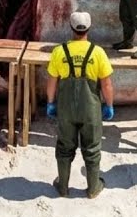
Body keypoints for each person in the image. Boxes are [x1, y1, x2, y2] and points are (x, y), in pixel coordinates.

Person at [44, 11, 114, 199]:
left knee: (65, 147)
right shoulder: (98, 53)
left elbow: (52, 81)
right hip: (90, 108)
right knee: (91, 148)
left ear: (71, 28)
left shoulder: (59, 52)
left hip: (66, 108)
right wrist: (109, 105)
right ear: (89, 29)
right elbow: (106, 84)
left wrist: (50, 103)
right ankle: (93, 188)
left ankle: (63, 187)